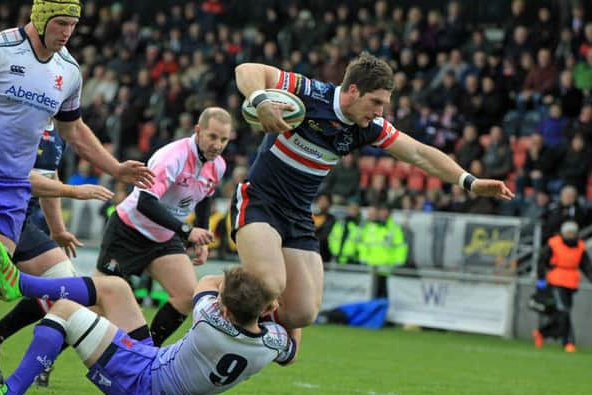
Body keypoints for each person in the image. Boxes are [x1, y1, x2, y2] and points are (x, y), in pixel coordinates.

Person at [231, 53, 514, 334]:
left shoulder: (368, 128)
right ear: (353, 91)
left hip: (299, 215)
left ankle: (253, 319)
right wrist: (261, 100)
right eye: (375, 102)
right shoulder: (310, 93)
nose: (380, 112)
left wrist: (470, 182)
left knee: (302, 313)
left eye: (384, 104)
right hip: (260, 201)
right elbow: (247, 68)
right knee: (270, 285)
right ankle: (214, 289)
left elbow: (419, 153)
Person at [0, 241, 296, 395]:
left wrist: (260, 275)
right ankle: (21, 284)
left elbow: (207, 282)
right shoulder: (272, 344)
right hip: (152, 367)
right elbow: (293, 342)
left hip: (140, 381)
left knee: (64, 311)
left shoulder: (209, 320)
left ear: (225, 309)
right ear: (268, 309)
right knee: (116, 288)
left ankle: (10, 393)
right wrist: (285, 305)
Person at [0, 0, 154, 258]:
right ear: (41, 20)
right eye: (61, 23)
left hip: (13, 188)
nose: (67, 32)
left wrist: (116, 168)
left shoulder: (69, 71)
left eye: (73, 25)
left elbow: (74, 130)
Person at [0, 121, 113, 388]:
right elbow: (21, 177)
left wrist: (58, 230)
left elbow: (49, 176)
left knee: (66, 287)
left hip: (21, 222)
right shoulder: (18, 116)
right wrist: (74, 191)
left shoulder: (58, 128)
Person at [95, 107, 231, 346]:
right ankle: (44, 355)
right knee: (96, 303)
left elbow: (205, 198)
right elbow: (145, 202)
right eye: (212, 137)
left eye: (224, 139)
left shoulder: (218, 164)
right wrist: (188, 231)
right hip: (129, 230)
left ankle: (147, 354)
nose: (218, 145)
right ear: (197, 131)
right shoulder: (173, 156)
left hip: (165, 236)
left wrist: (200, 237)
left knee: (188, 295)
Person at [533, 221, 592, 352]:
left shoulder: (580, 246)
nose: (570, 235)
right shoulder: (554, 243)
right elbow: (542, 261)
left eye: (573, 233)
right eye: (568, 232)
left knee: (563, 314)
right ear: (563, 232)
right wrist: (541, 279)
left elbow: (586, 267)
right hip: (556, 281)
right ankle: (569, 342)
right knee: (564, 311)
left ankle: (542, 333)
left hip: (571, 283)